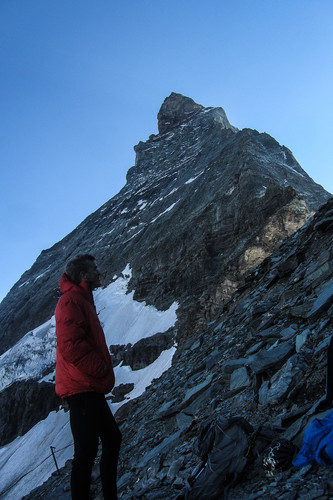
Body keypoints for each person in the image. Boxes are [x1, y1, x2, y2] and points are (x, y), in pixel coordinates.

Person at [55, 254, 122, 499]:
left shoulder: (80, 299)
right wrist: (101, 369)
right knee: (86, 452)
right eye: (94, 268)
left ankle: (110, 496)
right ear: (83, 275)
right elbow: (71, 346)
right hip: (81, 387)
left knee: (110, 440)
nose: (98, 271)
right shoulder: (71, 301)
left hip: (86, 386)